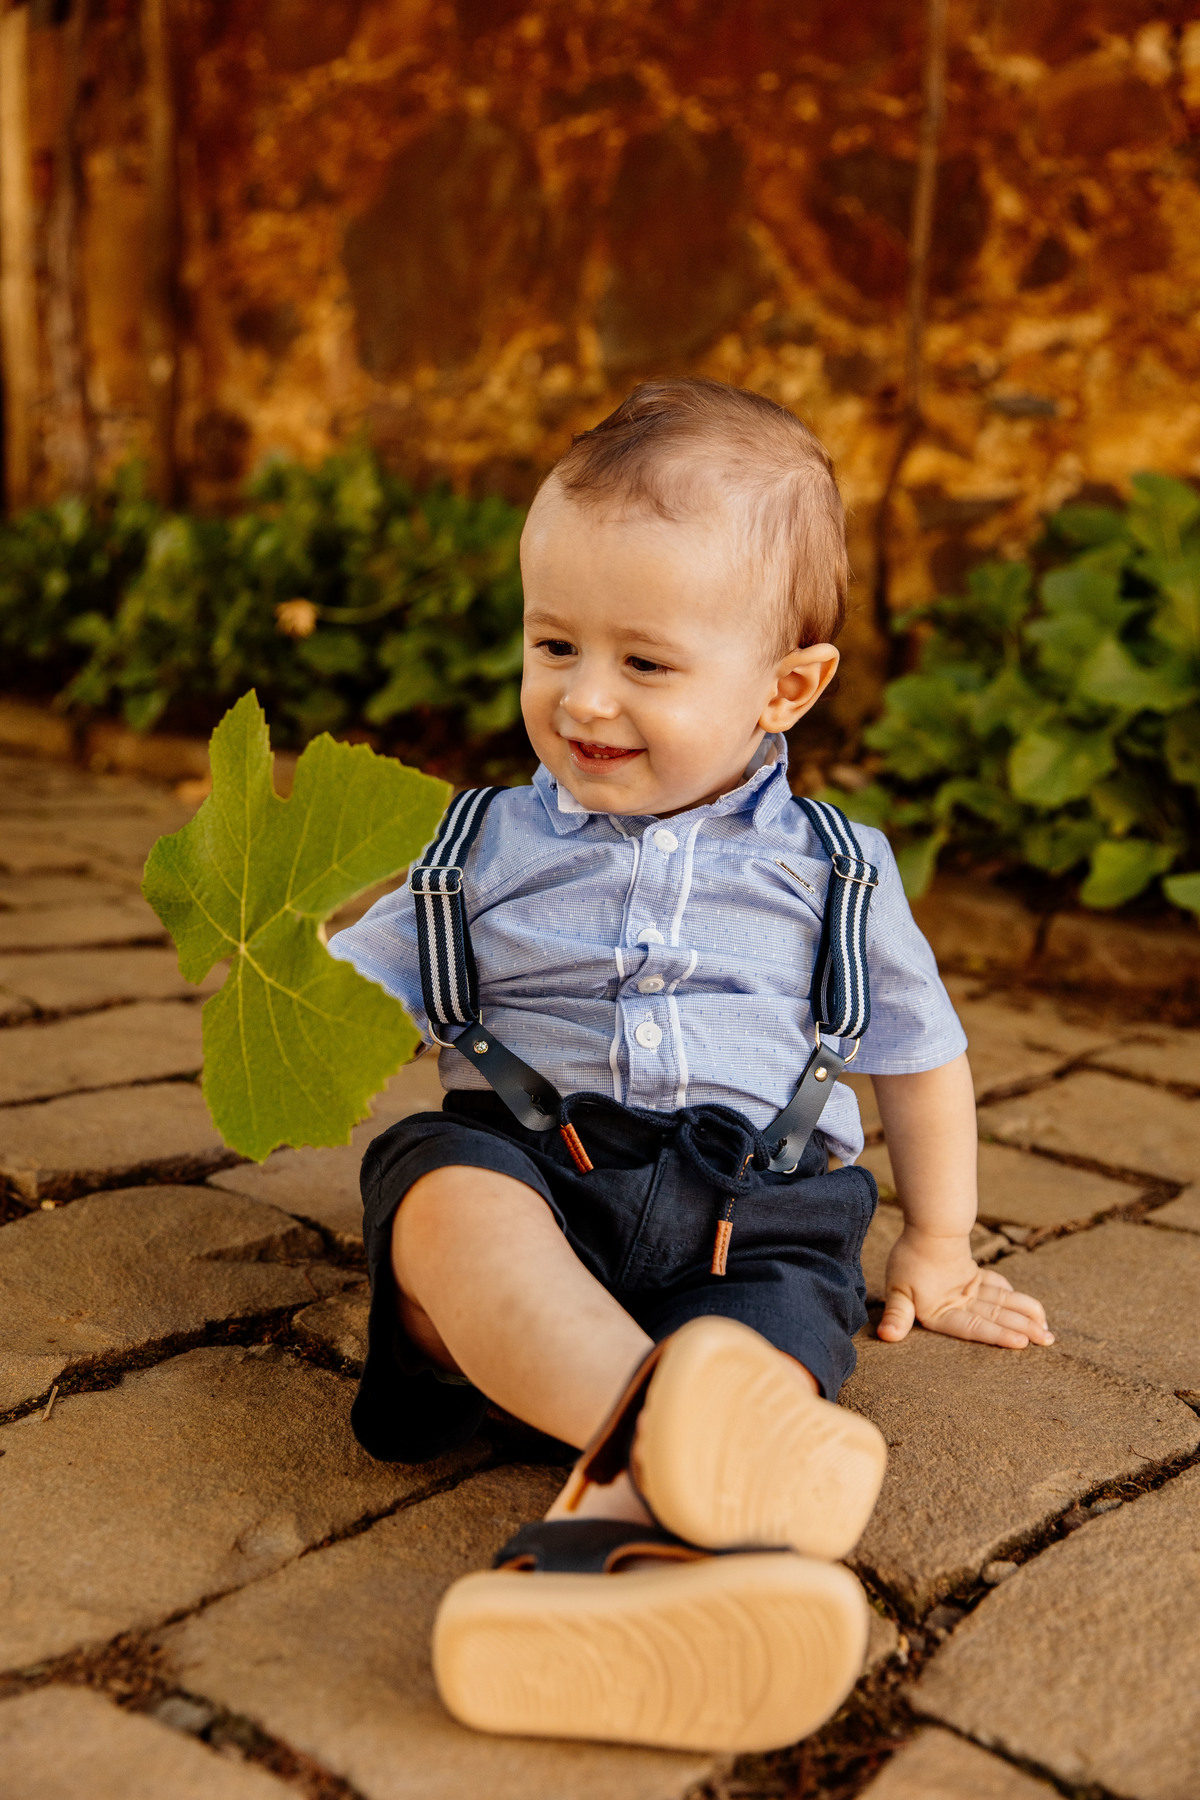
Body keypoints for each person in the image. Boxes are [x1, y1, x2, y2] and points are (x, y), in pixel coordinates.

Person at [329, 378, 1053, 1755]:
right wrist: (283, 980)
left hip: (758, 1210)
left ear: (786, 687)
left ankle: (606, 1578)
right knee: (439, 1193)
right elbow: (352, 995)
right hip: (539, 1183)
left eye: (645, 665)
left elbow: (922, 1057)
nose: (583, 698)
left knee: (773, 1343)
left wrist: (940, 1245)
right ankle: (684, 1441)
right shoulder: (476, 846)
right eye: (554, 645)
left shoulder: (840, 871)